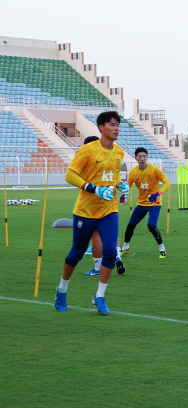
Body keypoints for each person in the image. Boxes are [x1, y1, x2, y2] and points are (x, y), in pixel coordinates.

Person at [55, 111, 128, 315]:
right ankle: (61, 289)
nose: (116, 128)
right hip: (85, 211)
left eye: (118, 125)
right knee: (76, 253)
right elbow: (70, 175)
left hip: (109, 210)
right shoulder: (88, 150)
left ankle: (100, 296)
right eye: (112, 125)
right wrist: (94, 189)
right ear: (101, 127)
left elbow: (112, 177)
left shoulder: (119, 152)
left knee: (111, 252)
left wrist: (120, 185)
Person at [82, 135, 126, 276]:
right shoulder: (109, 160)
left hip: (93, 203)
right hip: (111, 202)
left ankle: (97, 268)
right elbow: (117, 179)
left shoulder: (87, 161)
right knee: (112, 232)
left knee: (95, 235)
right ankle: (118, 256)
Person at [120, 147, 171, 258]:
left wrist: (157, 194)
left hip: (154, 203)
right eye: (140, 156)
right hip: (141, 203)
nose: (142, 158)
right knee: (130, 226)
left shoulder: (155, 169)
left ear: (147, 157)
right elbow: (127, 186)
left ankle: (162, 249)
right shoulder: (133, 172)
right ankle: (125, 248)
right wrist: (124, 195)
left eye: (144, 156)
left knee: (151, 226)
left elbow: (167, 183)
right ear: (136, 158)